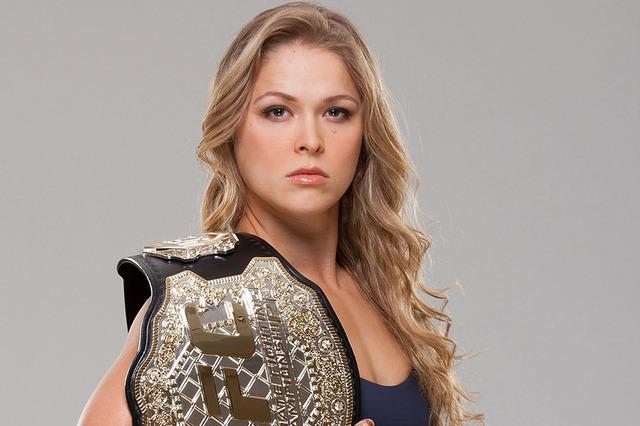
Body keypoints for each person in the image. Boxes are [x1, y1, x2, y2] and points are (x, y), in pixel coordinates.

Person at [78, 2, 484, 425]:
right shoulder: (202, 303)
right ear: (232, 126)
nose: (310, 139)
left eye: (336, 112)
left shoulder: (385, 297)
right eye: (277, 111)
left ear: (365, 133)